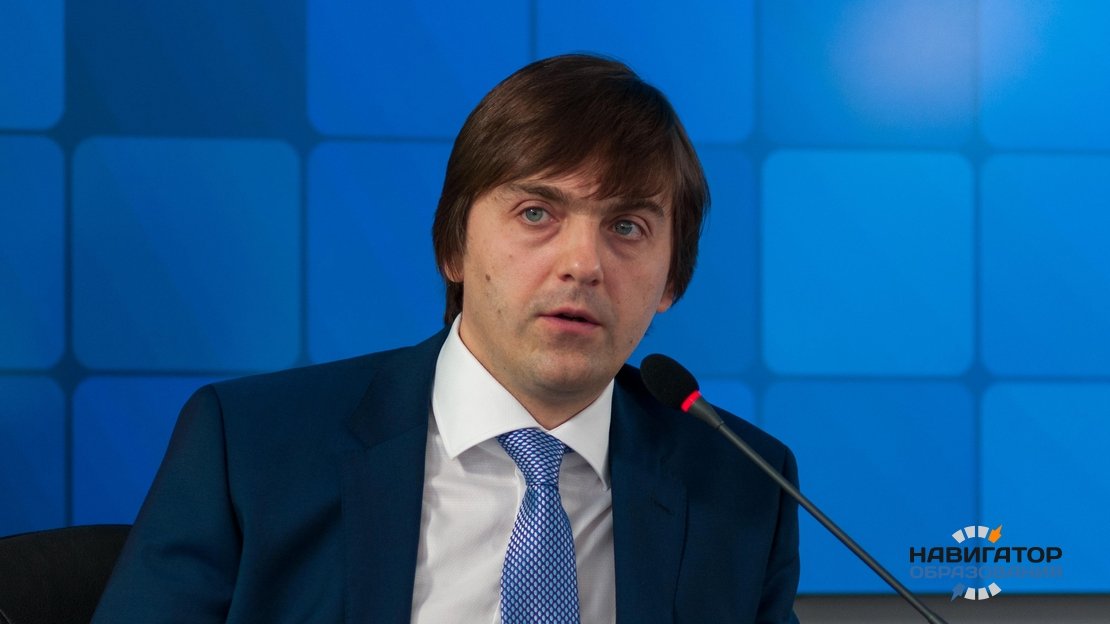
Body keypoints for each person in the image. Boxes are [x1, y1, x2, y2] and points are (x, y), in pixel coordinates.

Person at [92, 54, 800, 623]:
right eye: (536, 213)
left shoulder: (742, 484)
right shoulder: (250, 449)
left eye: (627, 227)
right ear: (453, 248)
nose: (583, 264)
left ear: (671, 280)